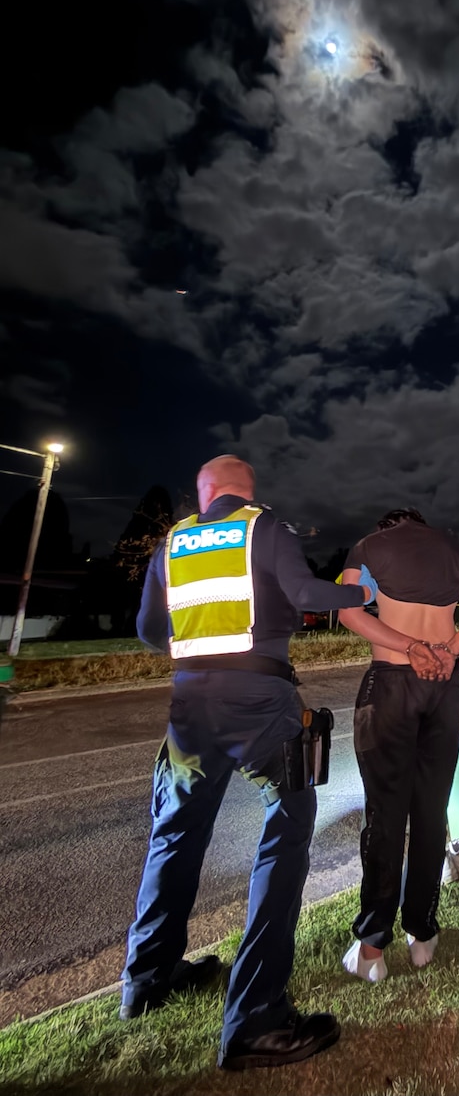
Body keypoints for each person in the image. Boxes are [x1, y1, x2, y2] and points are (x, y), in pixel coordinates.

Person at [121, 455, 370, 1071]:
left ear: (204, 494)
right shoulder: (266, 527)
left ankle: (148, 980)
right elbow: (309, 595)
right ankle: (256, 1018)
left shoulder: (174, 542)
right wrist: (362, 590)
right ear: (247, 489)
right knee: (286, 833)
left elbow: (151, 629)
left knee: (174, 835)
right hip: (260, 703)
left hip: (190, 705)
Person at [337, 508, 459, 982]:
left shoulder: (370, 546)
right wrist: (447, 650)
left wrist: (410, 648)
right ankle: (423, 935)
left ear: (388, 527)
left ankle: (371, 951)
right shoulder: (457, 550)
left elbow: (349, 610)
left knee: (385, 818)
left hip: (391, 685)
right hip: (444, 686)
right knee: (431, 812)